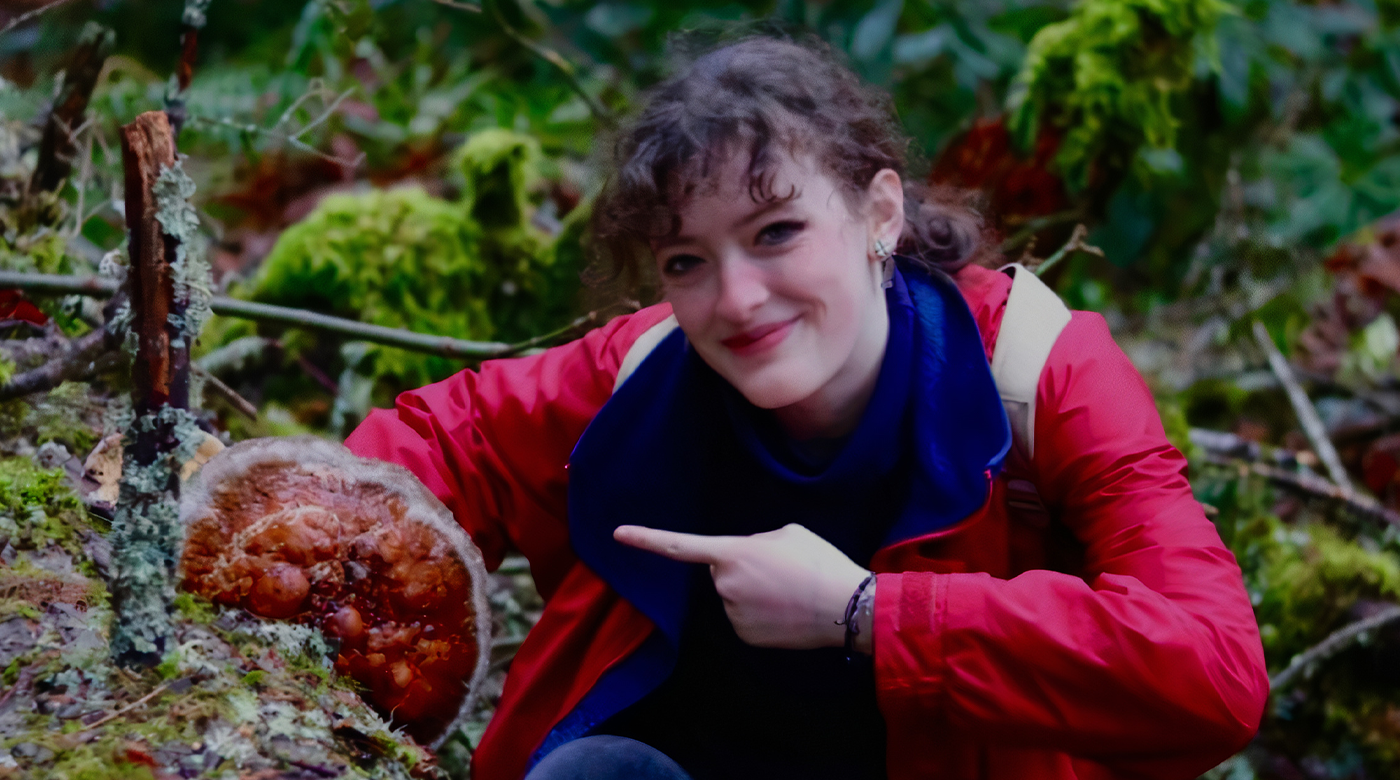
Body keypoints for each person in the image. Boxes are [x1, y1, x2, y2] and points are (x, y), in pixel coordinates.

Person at [344, 36, 1269, 780]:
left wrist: (865, 612)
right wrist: (275, 523)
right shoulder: (651, 367)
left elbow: (1216, 672)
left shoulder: (1035, 367)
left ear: (880, 214)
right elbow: (437, 443)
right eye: (687, 262)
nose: (737, 299)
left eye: (776, 232)